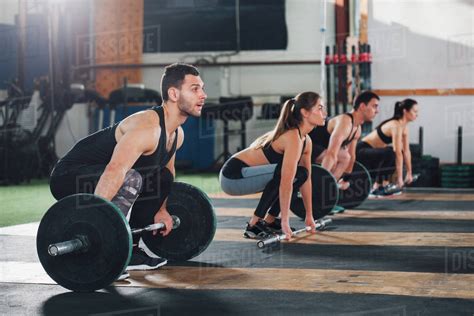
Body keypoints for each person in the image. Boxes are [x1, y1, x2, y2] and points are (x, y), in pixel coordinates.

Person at [49, 63, 207, 272]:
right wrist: (96, 225)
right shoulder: (147, 128)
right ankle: (114, 248)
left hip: (106, 177)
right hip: (69, 177)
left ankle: (131, 249)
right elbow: (115, 170)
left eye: (202, 88)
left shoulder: (176, 134)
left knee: (163, 177)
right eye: (195, 89)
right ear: (174, 94)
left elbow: (166, 173)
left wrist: (161, 210)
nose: (203, 95)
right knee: (131, 178)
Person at [219, 92, 326, 240]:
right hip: (232, 176)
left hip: (246, 175)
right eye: (320, 108)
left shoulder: (306, 140)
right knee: (287, 175)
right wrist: (285, 222)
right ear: (305, 113)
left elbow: (305, 179)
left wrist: (309, 215)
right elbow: (286, 182)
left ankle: (268, 221)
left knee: (302, 174)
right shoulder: (292, 137)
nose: (324, 112)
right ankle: (253, 225)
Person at [308, 91, 380, 191]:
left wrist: (346, 179)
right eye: (374, 106)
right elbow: (331, 154)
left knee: (346, 157)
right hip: (306, 145)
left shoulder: (357, 129)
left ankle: (329, 188)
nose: (377, 111)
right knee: (340, 158)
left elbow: (352, 156)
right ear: (363, 106)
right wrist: (320, 181)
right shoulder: (345, 122)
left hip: (320, 150)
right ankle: (319, 187)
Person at [356, 98, 419, 197]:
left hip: (372, 153)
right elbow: (397, 152)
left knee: (393, 153)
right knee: (391, 152)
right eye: (415, 111)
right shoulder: (396, 125)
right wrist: (399, 179)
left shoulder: (404, 128)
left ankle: (384, 184)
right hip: (360, 151)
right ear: (405, 111)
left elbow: (406, 151)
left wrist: (409, 173)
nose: (417, 114)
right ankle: (377, 187)